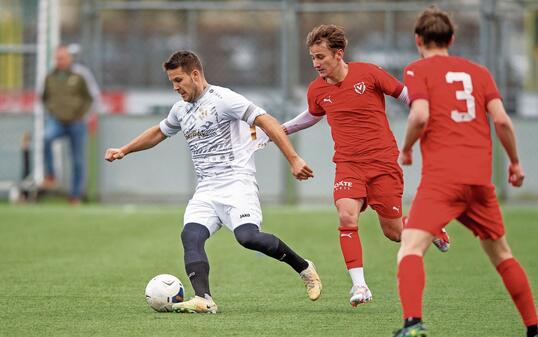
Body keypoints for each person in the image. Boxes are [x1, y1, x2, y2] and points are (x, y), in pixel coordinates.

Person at [104, 51, 322, 314]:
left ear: (195, 74)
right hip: (206, 189)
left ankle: (304, 267)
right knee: (191, 235)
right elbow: (159, 132)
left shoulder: (224, 99)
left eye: (179, 80)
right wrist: (124, 149)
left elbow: (267, 121)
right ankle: (204, 298)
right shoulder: (180, 109)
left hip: (236, 183)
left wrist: (294, 159)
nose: (175, 87)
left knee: (248, 238)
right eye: (172, 82)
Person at [393, 7, 537, 337]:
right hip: (479, 180)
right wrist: (515, 161)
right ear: (452, 39)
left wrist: (407, 147)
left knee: (411, 249)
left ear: (418, 39)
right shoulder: (478, 72)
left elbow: (420, 115)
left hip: (443, 179)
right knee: (502, 254)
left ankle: (413, 325)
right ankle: (533, 327)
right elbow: (501, 120)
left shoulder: (417, 69)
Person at [281, 24, 449, 308]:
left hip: (382, 162)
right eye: (312, 57)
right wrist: (280, 129)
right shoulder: (317, 90)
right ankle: (360, 286)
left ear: (339, 54)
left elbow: (407, 96)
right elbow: (312, 115)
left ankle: (429, 227)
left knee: (394, 232)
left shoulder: (369, 74)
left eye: (320, 57)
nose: (316, 63)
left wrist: (431, 119)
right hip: (348, 164)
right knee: (346, 216)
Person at [41, 45, 100, 204]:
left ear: (70, 58)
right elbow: (44, 97)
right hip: (57, 121)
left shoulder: (81, 74)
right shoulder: (50, 76)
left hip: (77, 122)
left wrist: (85, 116)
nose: (60, 61)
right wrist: (52, 110)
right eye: (58, 58)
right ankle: (50, 174)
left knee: (77, 160)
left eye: (63, 58)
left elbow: (92, 97)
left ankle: (75, 196)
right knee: (46, 138)